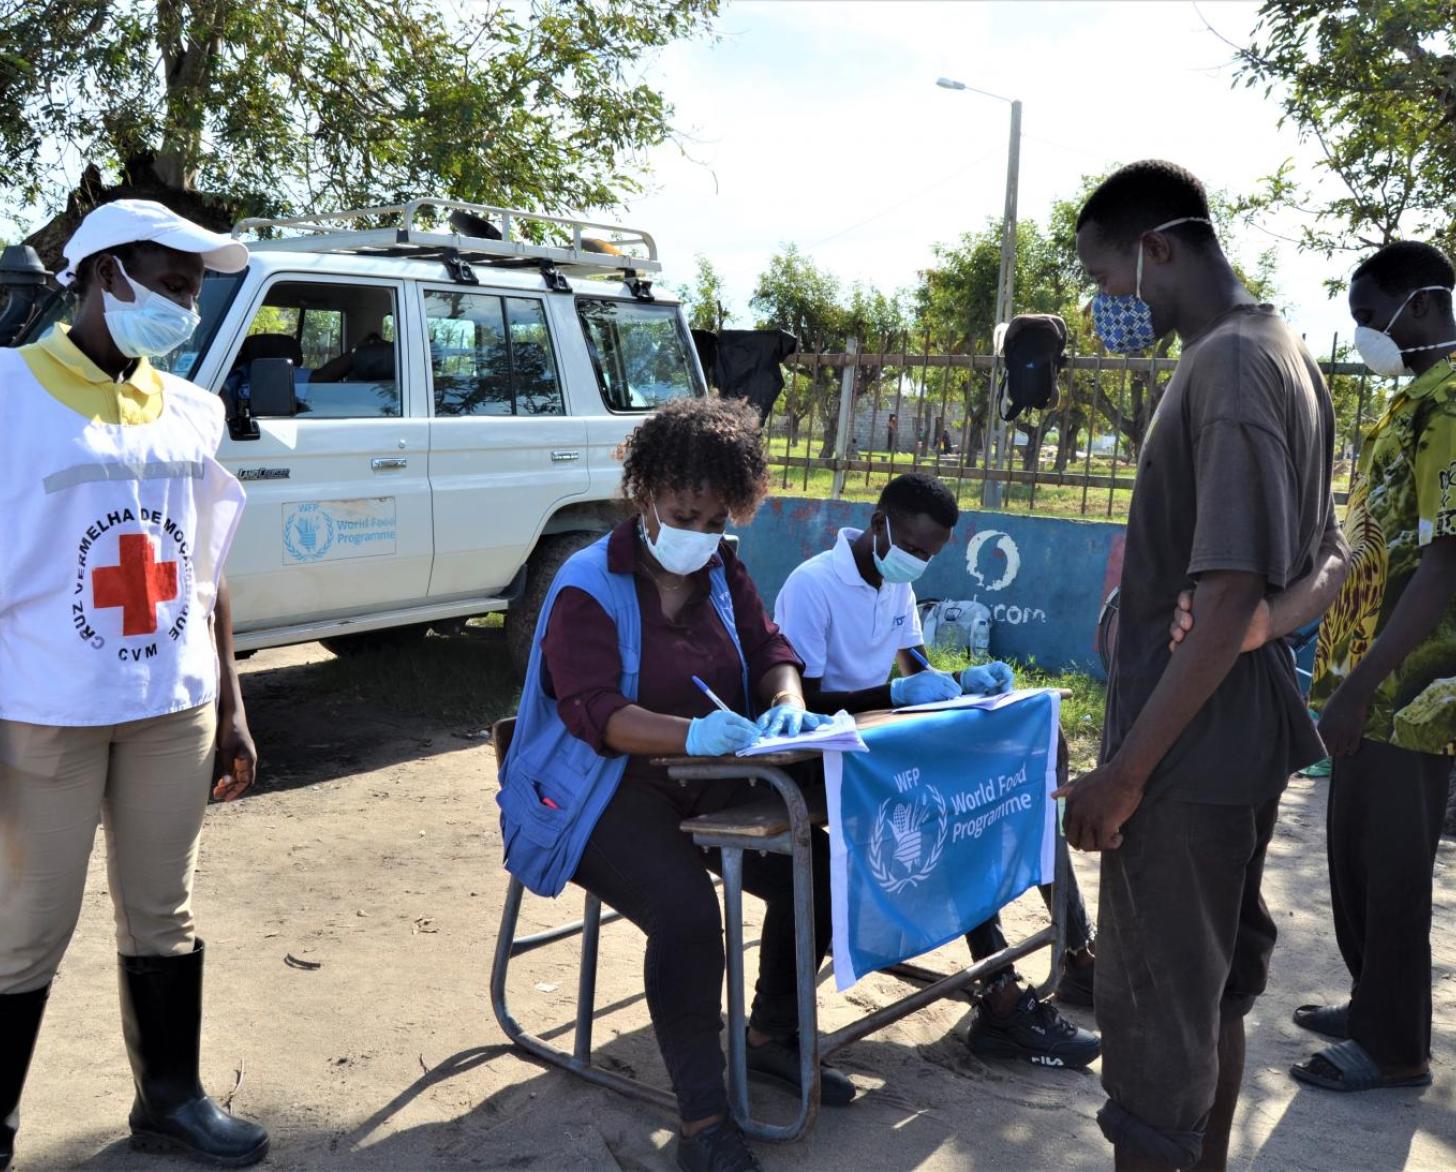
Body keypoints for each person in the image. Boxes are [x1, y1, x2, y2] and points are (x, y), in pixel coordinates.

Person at [1062, 161, 1348, 1171]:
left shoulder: (1227, 369)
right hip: (1232, 744)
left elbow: (1223, 599)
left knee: (1151, 1033)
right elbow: (1329, 553)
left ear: (1159, 250)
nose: (1107, 309)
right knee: (1208, 997)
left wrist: (1122, 775)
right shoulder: (1285, 352)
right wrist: (1266, 620)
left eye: (1106, 284)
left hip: (1181, 762)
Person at [498, 396, 845, 1172]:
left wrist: (786, 699)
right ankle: (703, 1125)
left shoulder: (722, 568)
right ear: (645, 493)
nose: (696, 533)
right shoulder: (588, 584)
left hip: (701, 777)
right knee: (688, 919)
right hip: (599, 791)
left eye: (714, 518)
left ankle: (770, 1037)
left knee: (817, 866)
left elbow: (770, 647)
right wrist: (691, 733)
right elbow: (594, 713)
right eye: (682, 512)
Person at [0, 200, 267, 1168]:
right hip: (46, 710)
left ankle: (170, 1099)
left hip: (171, 709)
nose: (188, 309)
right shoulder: (6, 395)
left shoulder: (192, 408)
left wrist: (232, 703)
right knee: (28, 928)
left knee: (164, 908)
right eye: (175, 287)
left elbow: (205, 569)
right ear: (107, 275)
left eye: (196, 291)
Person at [773, 472, 1101, 1070]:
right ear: (878, 523)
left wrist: (957, 685)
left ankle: (1077, 952)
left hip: (887, 745)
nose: (918, 563)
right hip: (829, 757)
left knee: (1012, 788)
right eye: (913, 549)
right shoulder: (812, 586)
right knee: (951, 815)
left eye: (929, 555)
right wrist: (898, 694)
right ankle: (1003, 993)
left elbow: (914, 660)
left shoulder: (893, 583)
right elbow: (805, 703)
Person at [1292, 241, 1456, 1092]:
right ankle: (1370, 1005)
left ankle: (1396, 1050)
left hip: (1412, 691)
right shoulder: (1414, 401)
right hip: (1365, 680)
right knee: (1353, 853)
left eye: (1369, 318)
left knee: (1392, 869)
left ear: (1421, 306)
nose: (1364, 335)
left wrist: (1362, 686)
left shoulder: (1454, 403)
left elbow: (1447, 560)